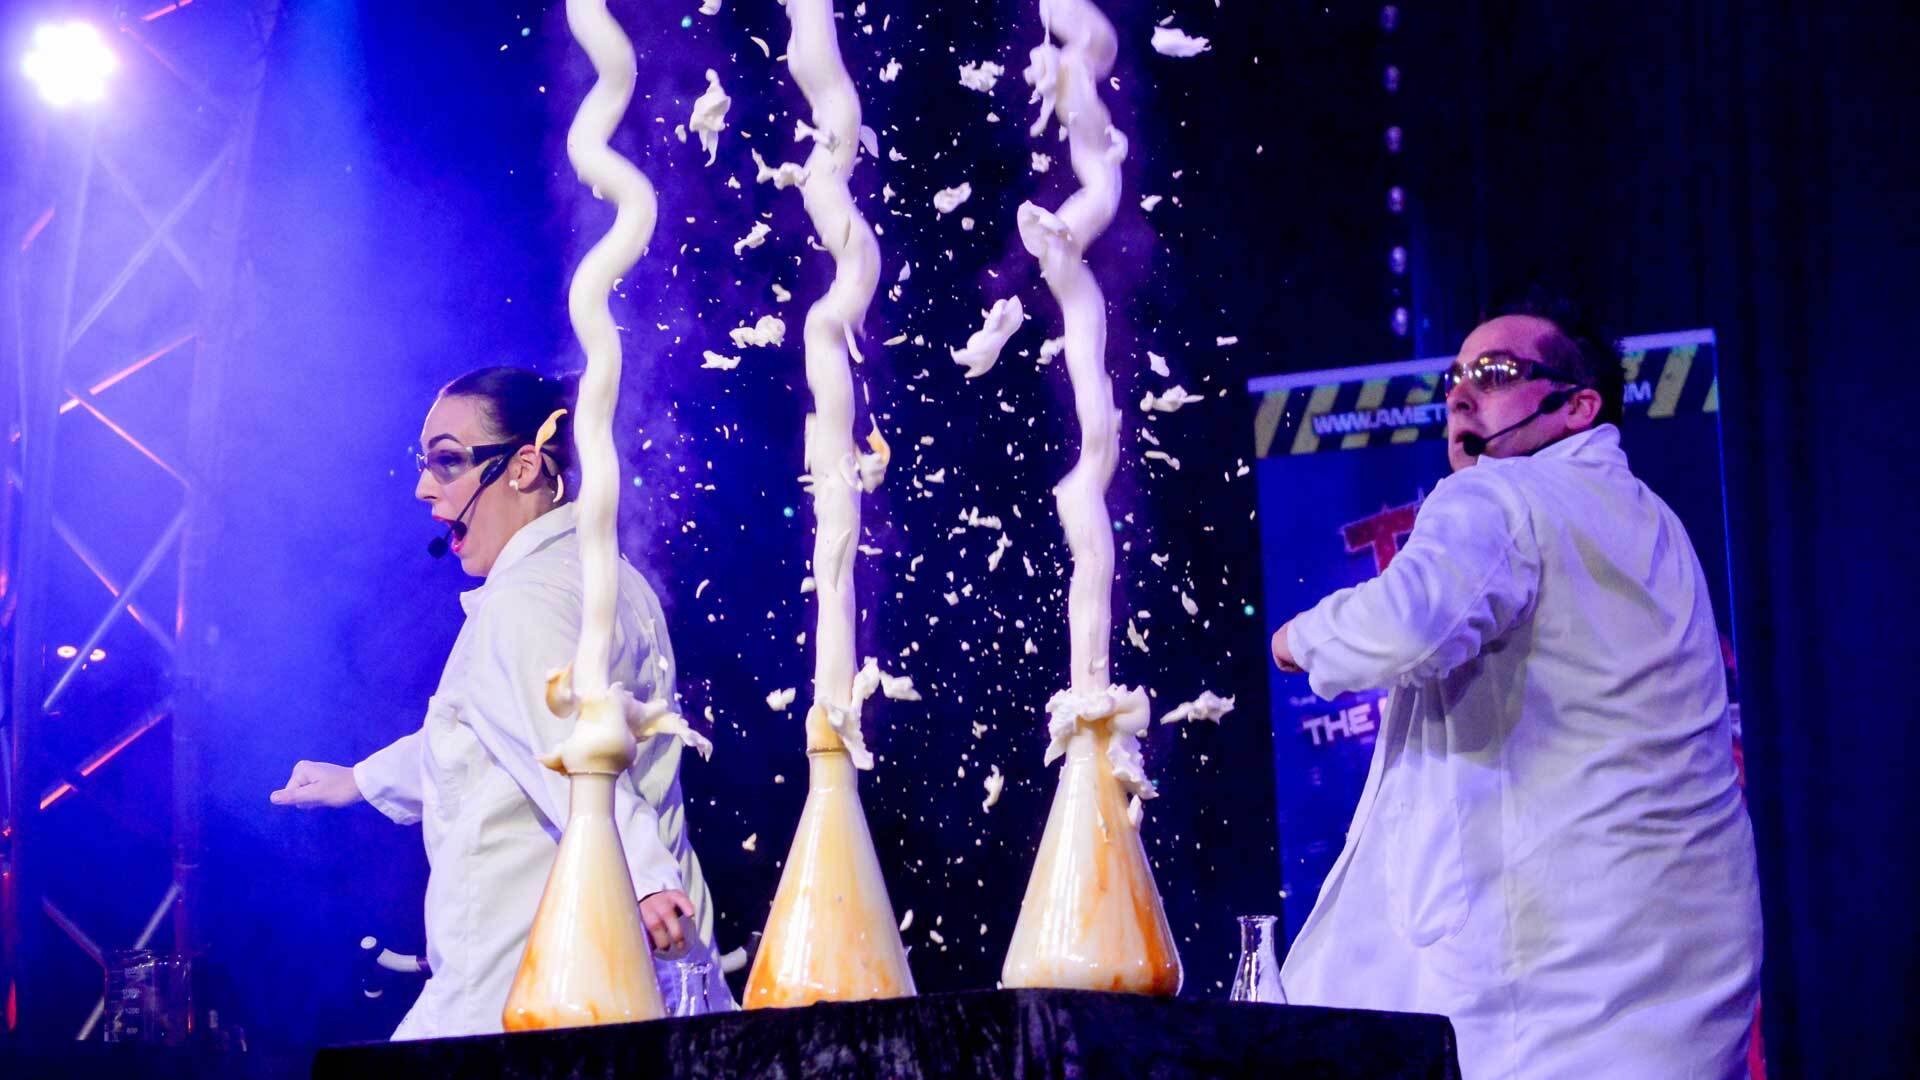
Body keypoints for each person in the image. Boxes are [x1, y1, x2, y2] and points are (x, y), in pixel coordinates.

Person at [1269, 292, 1761, 1079]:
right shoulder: (1661, 526)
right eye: (1456, 377)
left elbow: (1405, 624)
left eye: (1495, 373)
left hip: (1550, 998)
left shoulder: (1501, 493)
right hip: (1688, 987)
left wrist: (1298, 639)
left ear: (1577, 406)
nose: (1462, 394)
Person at [270, 366, 732, 1037]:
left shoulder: (526, 601)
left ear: (522, 468)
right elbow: (501, 736)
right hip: (614, 970)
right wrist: (361, 780)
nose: (424, 487)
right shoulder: (607, 579)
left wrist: (647, 879)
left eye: (448, 461)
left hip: (526, 985)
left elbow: (579, 759)